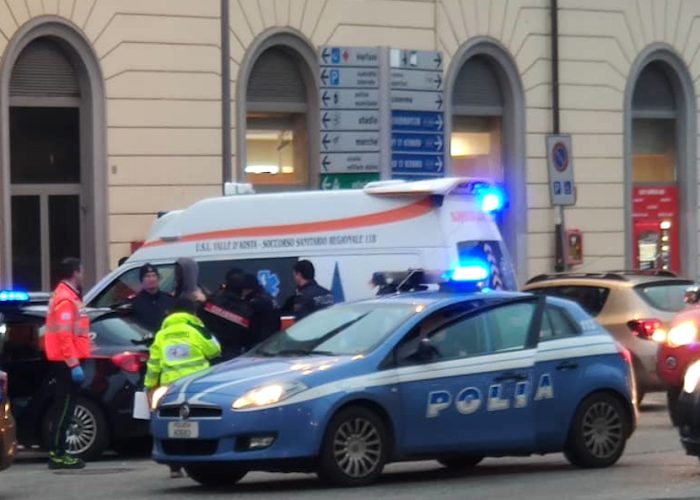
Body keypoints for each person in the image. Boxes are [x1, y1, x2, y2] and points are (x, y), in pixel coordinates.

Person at [144, 298, 221, 478]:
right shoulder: (196, 329)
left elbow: (154, 364)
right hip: (197, 385)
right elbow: (215, 350)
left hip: (169, 387)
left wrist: (149, 386)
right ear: (192, 313)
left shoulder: (162, 334)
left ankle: (175, 467)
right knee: (197, 423)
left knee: (175, 425)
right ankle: (201, 459)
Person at [44, 257, 92, 470]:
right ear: (75, 273)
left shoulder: (68, 297)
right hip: (66, 363)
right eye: (81, 271)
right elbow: (64, 336)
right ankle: (57, 453)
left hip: (68, 361)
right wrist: (73, 364)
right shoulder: (66, 299)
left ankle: (59, 452)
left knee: (65, 407)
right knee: (64, 408)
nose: (83, 275)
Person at [200, 269, 253, 360]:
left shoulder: (211, 301)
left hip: (211, 350)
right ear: (242, 290)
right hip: (233, 353)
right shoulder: (245, 308)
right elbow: (249, 335)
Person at [128, 263, 175, 333]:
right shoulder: (134, 302)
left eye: (154, 276)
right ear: (141, 280)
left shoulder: (169, 300)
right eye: (147, 276)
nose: (152, 279)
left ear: (158, 279)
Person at [241, 273, 281, 349]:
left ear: (247, 289)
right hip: (272, 342)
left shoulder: (254, 303)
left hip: (258, 345)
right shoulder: (269, 297)